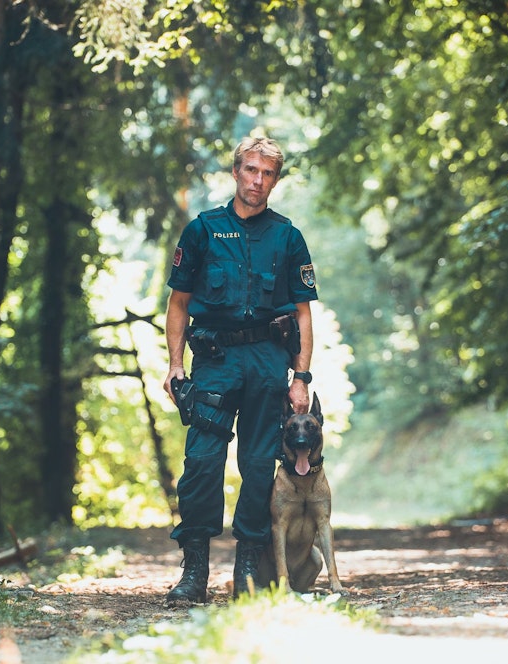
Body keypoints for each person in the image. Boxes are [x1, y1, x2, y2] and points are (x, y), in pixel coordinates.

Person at [162, 136, 318, 604]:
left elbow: (305, 313)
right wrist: (174, 365)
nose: (258, 180)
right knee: (202, 463)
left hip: (269, 363)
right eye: (251, 170)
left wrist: (301, 376)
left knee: (256, 466)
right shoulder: (203, 230)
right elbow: (179, 304)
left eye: (267, 173)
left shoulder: (287, 236)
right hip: (213, 362)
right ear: (236, 172)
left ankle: (247, 569)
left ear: (275, 179)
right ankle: (194, 572)